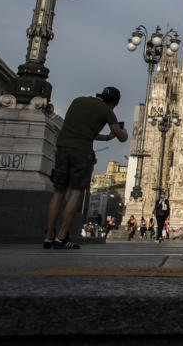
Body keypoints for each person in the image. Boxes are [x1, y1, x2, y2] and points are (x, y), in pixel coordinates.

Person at [43, 86, 127, 249]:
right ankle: (61, 237)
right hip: (81, 152)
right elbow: (121, 137)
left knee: (59, 192)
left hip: (62, 148)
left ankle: (48, 237)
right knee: (76, 192)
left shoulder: (78, 101)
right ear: (114, 103)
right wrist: (122, 131)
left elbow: (85, 131)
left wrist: (106, 138)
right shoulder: (107, 110)